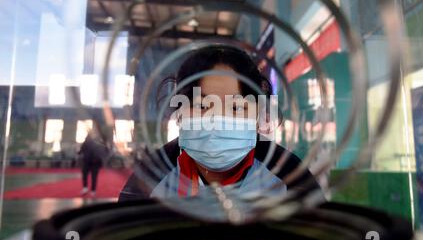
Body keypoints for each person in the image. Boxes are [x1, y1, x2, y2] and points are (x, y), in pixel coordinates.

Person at [119, 45, 323, 202]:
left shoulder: (289, 174)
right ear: (180, 111)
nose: (217, 121)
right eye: (202, 106)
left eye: (236, 108)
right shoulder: (150, 179)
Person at [78, 128, 108, 198]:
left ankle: (91, 190)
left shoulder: (98, 140)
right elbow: (81, 150)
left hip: (94, 162)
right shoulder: (89, 141)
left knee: (92, 176)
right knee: (89, 176)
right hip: (89, 161)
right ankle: (89, 189)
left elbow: (81, 151)